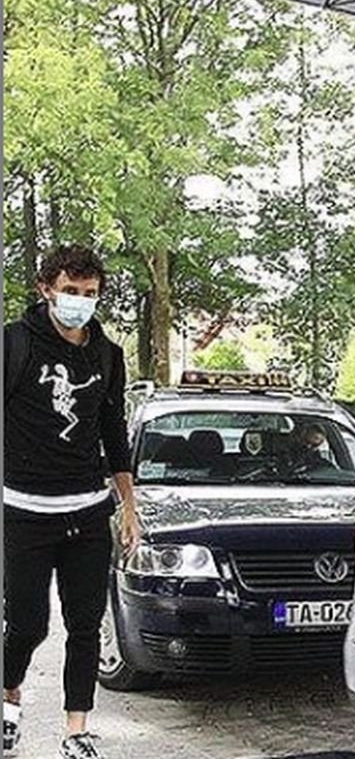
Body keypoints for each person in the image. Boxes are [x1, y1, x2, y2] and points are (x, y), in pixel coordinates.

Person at [3, 246, 141, 759]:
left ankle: (75, 729)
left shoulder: (106, 355)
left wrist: (129, 507)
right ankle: (9, 700)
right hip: (25, 512)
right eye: (70, 291)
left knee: (85, 626)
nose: (80, 301)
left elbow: (114, 433)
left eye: (89, 293)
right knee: (27, 626)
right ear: (46, 289)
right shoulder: (13, 344)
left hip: (87, 511)